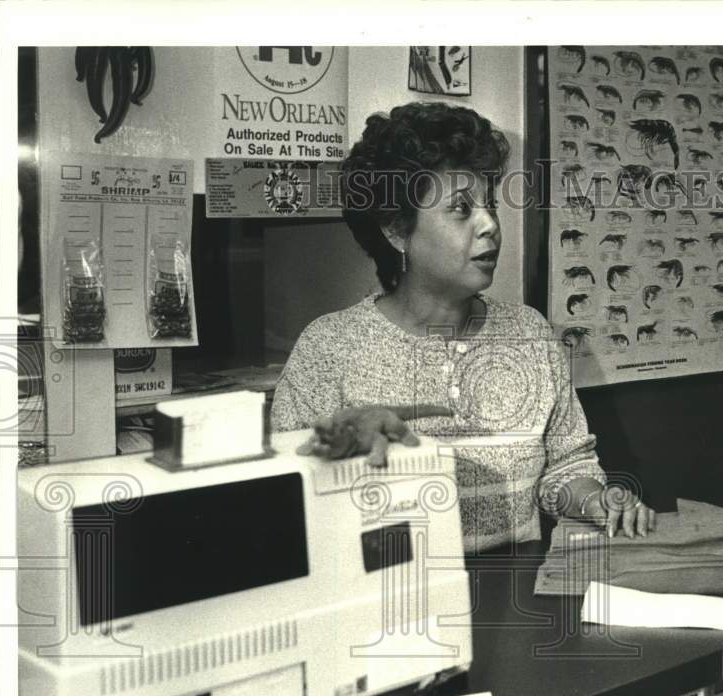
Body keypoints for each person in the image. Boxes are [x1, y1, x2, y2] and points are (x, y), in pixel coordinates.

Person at [271, 101, 657, 551]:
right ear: (397, 230)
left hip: (516, 601)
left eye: (490, 205)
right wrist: (341, 463)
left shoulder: (529, 333)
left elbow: (567, 467)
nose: (490, 224)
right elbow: (287, 501)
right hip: (391, 601)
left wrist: (597, 501)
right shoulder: (330, 347)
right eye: (461, 210)